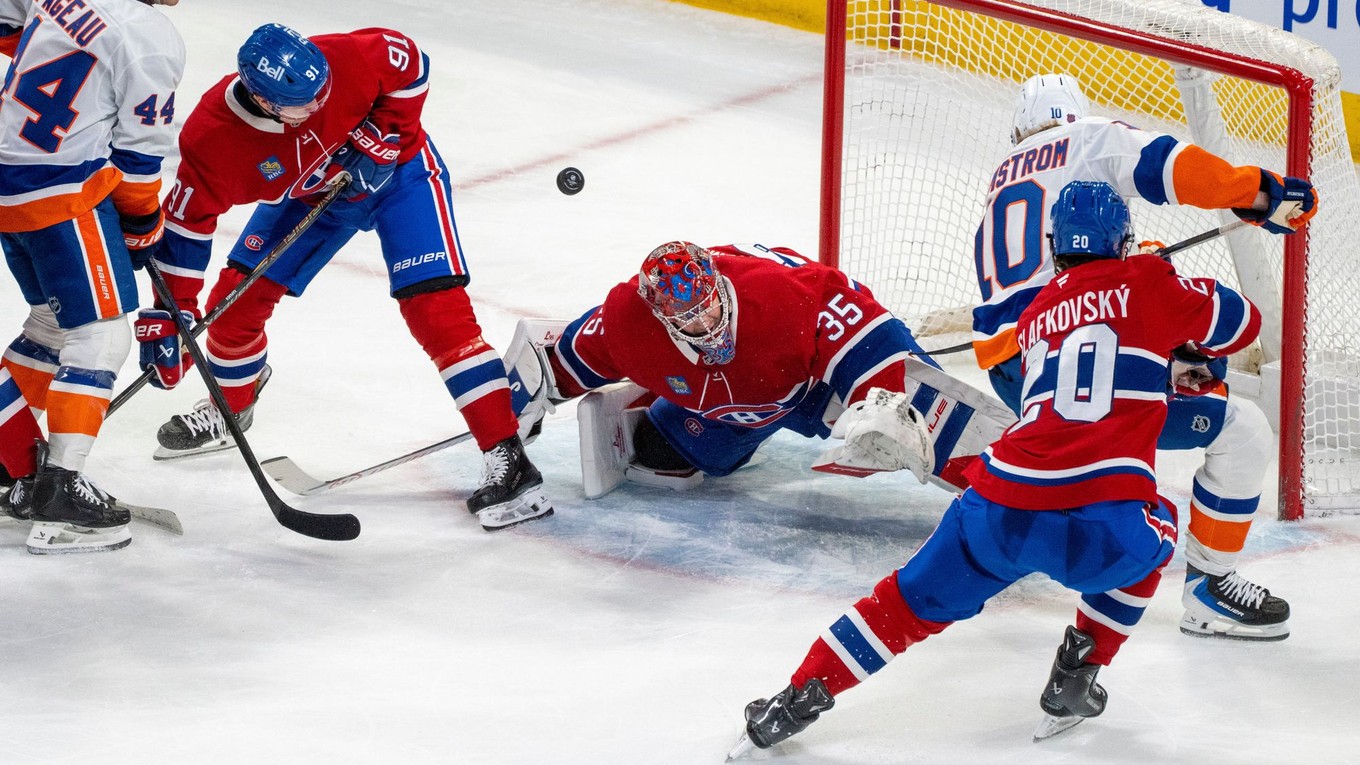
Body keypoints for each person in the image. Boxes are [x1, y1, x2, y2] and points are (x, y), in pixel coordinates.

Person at [732, 181, 1263, 755]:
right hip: (1100, 521)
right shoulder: (1148, 280)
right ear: (1124, 240)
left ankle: (794, 700)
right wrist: (1167, 295)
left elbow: (1078, 375)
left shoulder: (1035, 317)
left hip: (998, 503)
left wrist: (1158, 340)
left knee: (900, 605)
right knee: (1153, 538)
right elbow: (1243, 324)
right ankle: (1077, 672)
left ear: (1056, 244)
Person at [140, 23, 551, 531]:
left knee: (438, 315)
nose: (320, 104)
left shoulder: (340, 59)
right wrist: (172, 311)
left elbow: (410, 64)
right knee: (233, 308)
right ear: (264, 101)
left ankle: (507, 458)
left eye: (321, 93)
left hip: (401, 176)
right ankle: (233, 408)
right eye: (302, 104)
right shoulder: (213, 138)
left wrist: (387, 134)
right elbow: (185, 226)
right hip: (311, 197)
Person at [971, 73, 1315, 641]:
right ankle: (1210, 587)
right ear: (1074, 114)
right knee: (1242, 426)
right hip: (1076, 363)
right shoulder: (1082, 139)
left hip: (1017, 372)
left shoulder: (1002, 177)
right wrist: (1258, 192)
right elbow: (1174, 166)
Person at [513, 241, 940, 486]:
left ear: (719, 283)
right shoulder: (628, 321)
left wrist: (881, 398)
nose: (705, 323)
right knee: (660, 454)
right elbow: (566, 360)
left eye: (709, 307)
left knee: (883, 421)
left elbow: (863, 322)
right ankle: (669, 396)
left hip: (814, 378)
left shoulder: (779, 296)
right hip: (738, 407)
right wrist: (527, 400)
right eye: (688, 318)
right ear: (660, 314)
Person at [0, 0, 184, 553]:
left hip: (9, 181)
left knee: (52, 328)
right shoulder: (151, 35)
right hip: (62, 193)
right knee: (100, 335)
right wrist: (143, 218)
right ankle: (61, 493)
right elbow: (139, 156)